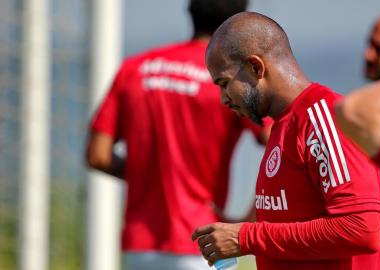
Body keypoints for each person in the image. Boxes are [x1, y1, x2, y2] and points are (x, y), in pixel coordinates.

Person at [192, 12, 380, 270]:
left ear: (255, 68)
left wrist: (246, 237)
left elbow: (362, 228)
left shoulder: (324, 118)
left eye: (225, 83)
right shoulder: (283, 127)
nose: (223, 99)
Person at [85, 1, 272, 270]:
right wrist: (250, 218)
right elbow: (281, 142)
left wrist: (151, 176)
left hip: (141, 247)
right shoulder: (229, 77)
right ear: (239, 22)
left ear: (190, 13)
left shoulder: (135, 68)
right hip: (205, 242)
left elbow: (98, 155)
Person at [335, 11, 380, 270]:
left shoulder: (363, 116)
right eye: (369, 44)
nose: (368, 55)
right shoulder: (357, 120)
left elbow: (356, 109)